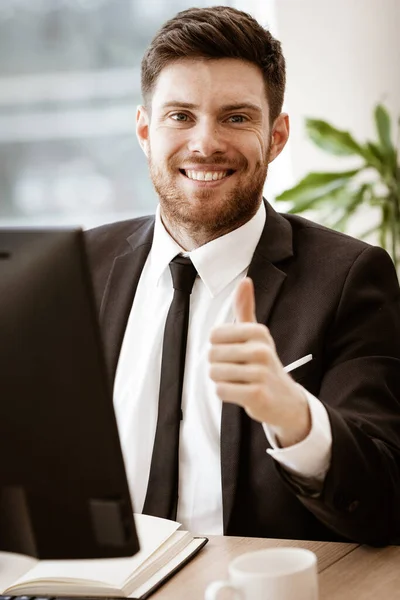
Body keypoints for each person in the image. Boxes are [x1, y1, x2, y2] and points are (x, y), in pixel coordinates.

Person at [85, 6, 400, 545]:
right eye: (180, 115)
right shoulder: (83, 266)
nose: (204, 143)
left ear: (276, 137)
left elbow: (386, 498)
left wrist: (295, 415)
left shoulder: (351, 279)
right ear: (144, 129)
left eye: (235, 117)